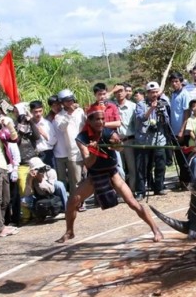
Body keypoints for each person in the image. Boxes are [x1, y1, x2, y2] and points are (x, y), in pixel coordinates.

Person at [55, 105, 163, 243]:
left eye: (102, 119)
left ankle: (155, 229)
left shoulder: (108, 133)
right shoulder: (81, 138)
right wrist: (94, 151)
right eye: (97, 119)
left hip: (112, 173)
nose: (101, 122)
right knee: (72, 202)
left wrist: (117, 144)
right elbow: (88, 163)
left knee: (132, 203)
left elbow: (119, 147)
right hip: (94, 175)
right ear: (90, 121)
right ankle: (69, 232)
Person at [135, 81, 169, 200]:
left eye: (156, 92)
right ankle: (141, 191)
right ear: (147, 93)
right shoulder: (141, 104)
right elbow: (141, 118)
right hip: (144, 140)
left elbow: (167, 121)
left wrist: (162, 111)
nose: (154, 94)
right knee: (142, 167)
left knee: (160, 165)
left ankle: (159, 187)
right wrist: (151, 109)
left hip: (159, 139)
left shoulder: (162, 103)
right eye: (152, 92)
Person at [53, 89, 86, 206]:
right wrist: (68, 115)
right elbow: (61, 128)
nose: (70, 102)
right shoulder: (59, 116)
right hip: (72, 151)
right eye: (67, 101)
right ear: (62, 102)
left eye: (71, 99)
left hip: (85, 147)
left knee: (90, 175)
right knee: (76, 180)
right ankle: (78, 202)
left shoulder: (80, 111)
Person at [169, 72, 192, 187]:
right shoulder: (173, 94)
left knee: (184, 158)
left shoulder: (185, 94)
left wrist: (182, 131)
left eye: (176, 81)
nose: (174, 84)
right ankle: (182, 181)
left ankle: (188, 181)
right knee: (178, 157)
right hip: (174, 130)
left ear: (181, 81)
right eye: (172, 82)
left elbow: (186, 113)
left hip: (182, 131)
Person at [113, 83, 137, 191]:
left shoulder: (133, 106)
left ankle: (132, 190)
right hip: (116, 142)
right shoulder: (111, 107)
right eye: (116, 91)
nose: (119, 93)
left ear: (126, 91)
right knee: (119, 169)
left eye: (121, 90)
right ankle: (122, 192)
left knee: (132, 168)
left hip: (129, 140)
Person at [30, 100, 57, 168]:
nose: (38, 114)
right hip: (33, 156)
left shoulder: (47, 124)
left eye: (40, 111)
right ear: (31, 111)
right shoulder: (29, 124)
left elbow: (54, 141)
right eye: (35, 112)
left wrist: (44, 134)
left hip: (47, 154)